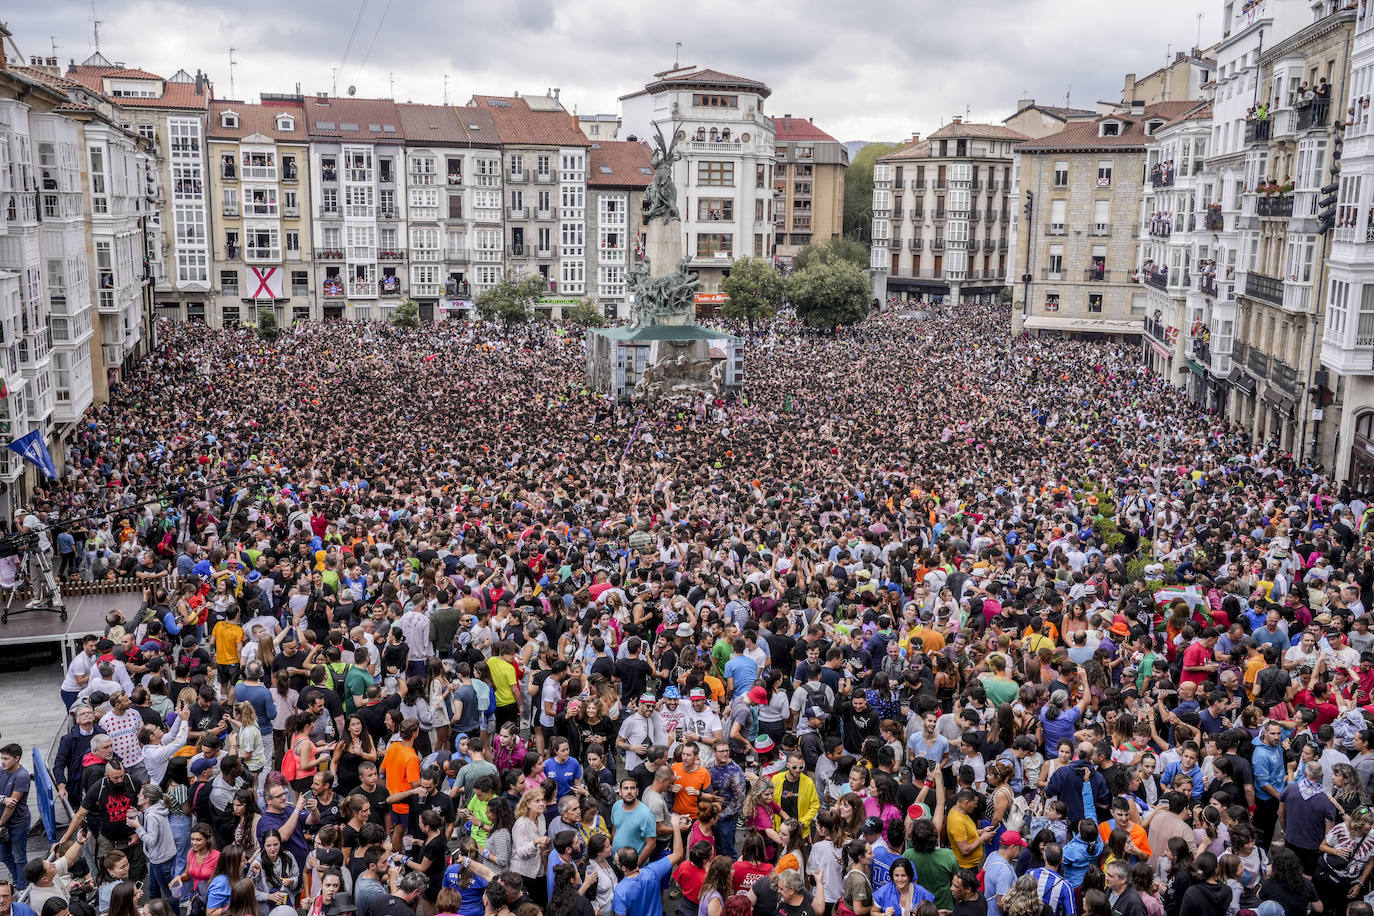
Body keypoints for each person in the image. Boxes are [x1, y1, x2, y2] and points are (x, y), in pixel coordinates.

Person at [612, 813, 686, 916]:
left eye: (615, 862)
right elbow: (678, 853)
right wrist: (676, 826)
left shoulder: (621, 890)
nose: (614, 863)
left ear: (623, 868)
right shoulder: (653, 871)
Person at [0, 745, 30, 892]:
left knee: (19, 857)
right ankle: (18, 879)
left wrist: (0, 823)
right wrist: (3, 798)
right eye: (2, 758)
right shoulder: (2, 771)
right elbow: (7, 801)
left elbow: (11, 806)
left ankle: (22, 887)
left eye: (6, 758)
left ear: (17, 758)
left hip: (17, 823)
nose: (3, 762)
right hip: (3, 823)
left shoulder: (22, 776)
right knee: (3, 855)